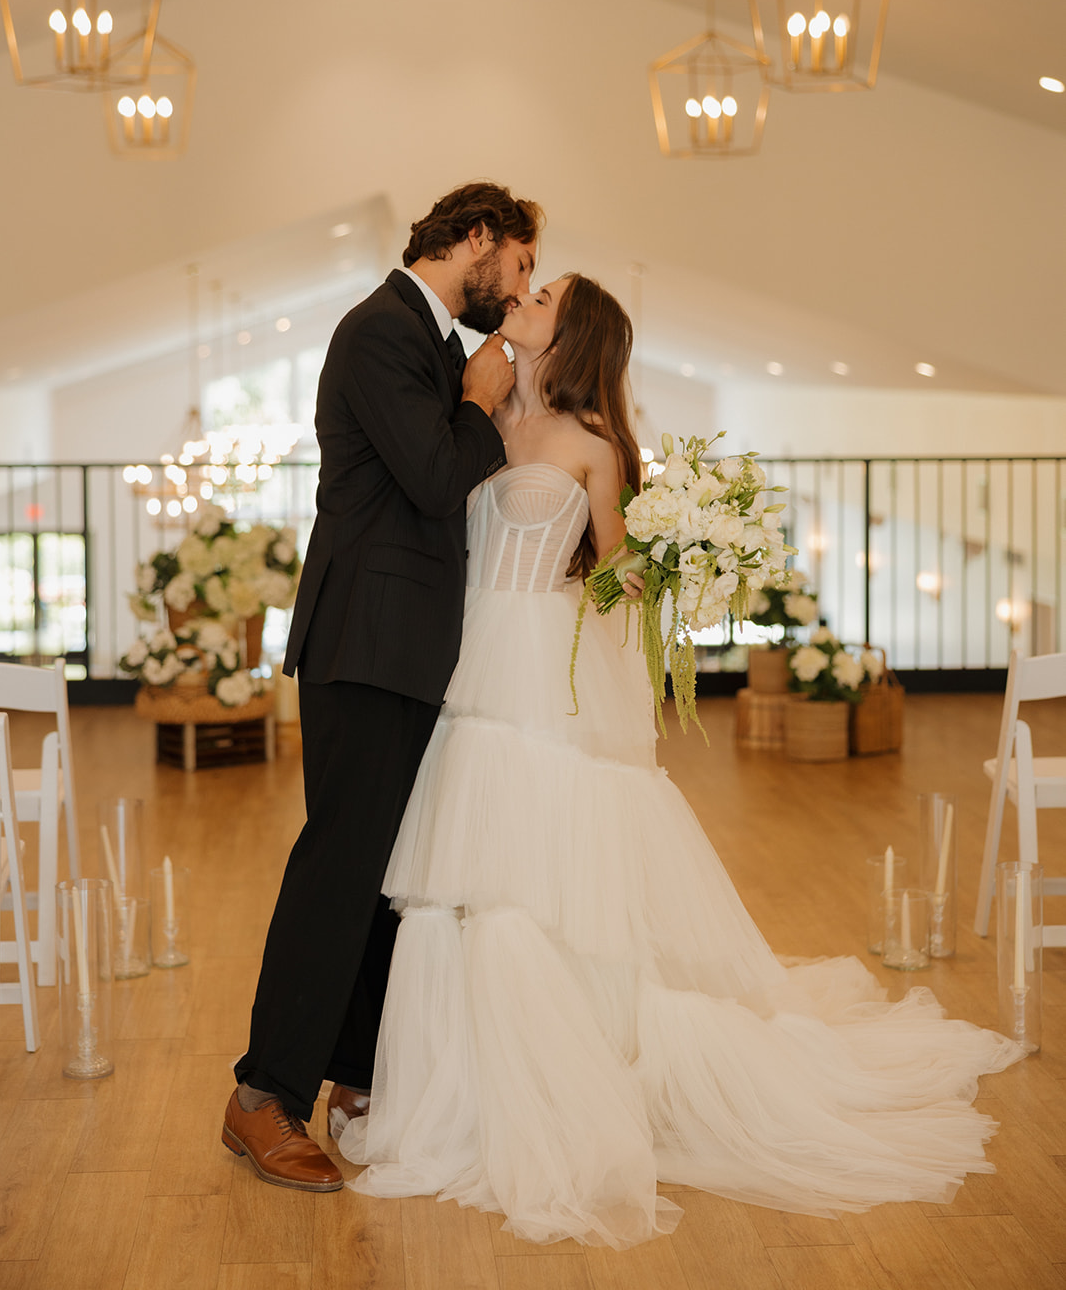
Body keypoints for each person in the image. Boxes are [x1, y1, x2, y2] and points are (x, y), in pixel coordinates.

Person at [339, 271, 1025, 1247]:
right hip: (469, 656)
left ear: (572, 336)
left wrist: (679, 565)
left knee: (535, 885)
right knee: (463, 884)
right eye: (525, 290)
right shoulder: (478, 416)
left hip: (543, 665)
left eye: (541, 299)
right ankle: (458, 1088)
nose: (521, 300)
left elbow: (615, 573)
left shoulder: (594, 446)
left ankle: (563, 1081)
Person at [222, 180, 542, 1191]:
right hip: (363, 639)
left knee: (384, 871)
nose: (521, 285)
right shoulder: (379, 329)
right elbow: (433, 474)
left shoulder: (431, 341)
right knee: (338, 866)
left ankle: (354, 1075)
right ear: (475, 238)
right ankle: (263, 1094)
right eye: (521, 264)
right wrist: (481, 402)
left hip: (404, 645)